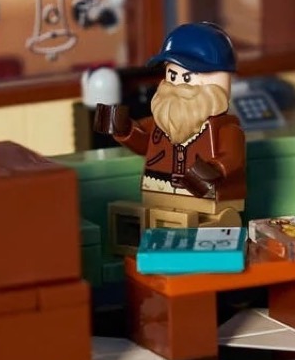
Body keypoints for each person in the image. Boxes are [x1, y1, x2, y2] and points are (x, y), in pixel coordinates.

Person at [94, 22, 246, 227]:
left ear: (218, 79)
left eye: (186, 77)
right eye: (172, 75)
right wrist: (124, 129)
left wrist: (211, 171)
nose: (176, 86)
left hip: (207, 203)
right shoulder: (165, 119)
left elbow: (232, 159)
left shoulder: (225, 128)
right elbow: (144, 141)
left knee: (193, 233)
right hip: (159, 196)